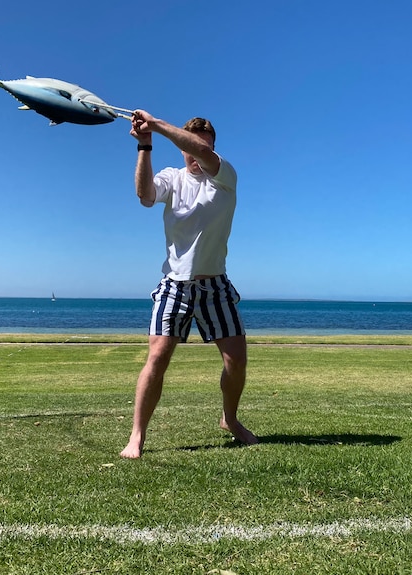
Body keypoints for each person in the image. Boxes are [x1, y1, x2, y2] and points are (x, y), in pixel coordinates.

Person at [120, 110, 257, 459]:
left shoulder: (224, 177)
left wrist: (157, 124)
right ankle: (137, 436)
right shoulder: (172, 177)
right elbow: (145, 195)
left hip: (216, 285)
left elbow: (203, 152)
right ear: (181, 151)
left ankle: (230, 419)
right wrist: (145, 146)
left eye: (202, 147)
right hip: (174, 284)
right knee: (157, 357)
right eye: (190, 148)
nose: (196, 154)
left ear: (211, 148)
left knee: (236, 361)